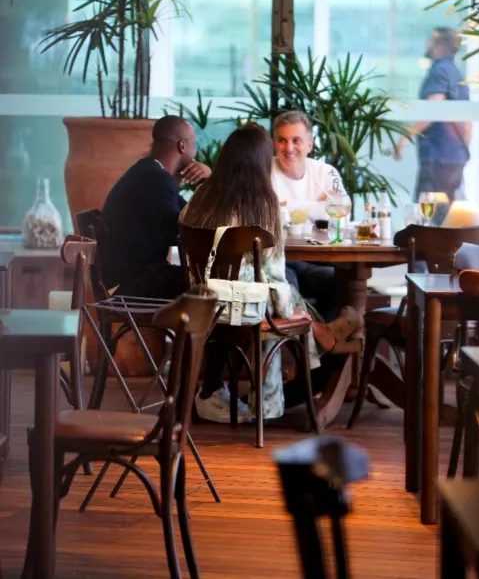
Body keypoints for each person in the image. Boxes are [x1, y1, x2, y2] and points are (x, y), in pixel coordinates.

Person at [181, 123, 361, 424]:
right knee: (282, 294)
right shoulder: (264, 206)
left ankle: (322, 332)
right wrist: (292, 312)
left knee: (280, 290)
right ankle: (323, 335)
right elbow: (274, 275)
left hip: (203, 301)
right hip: (247, 308)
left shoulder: (199, 198)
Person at [99, 115, 211, 298]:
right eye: (194, 145)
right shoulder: (155, 178)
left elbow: (189, 216)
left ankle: (180, 327)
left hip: (132, 278)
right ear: (182, 146)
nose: (195, 152)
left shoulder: (150, 172)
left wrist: (207, 181)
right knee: (207, 285)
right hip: (133, 283)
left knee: (200, 281)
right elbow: (181, 231)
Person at [271, 110, 345, 322]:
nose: (289, 148)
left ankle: (328, 353)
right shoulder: (264, 172)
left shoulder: (326, 172)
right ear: (274, 143)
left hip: (319, 260)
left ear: (310, 145)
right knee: (284, 291)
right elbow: (270, 216)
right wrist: (318, 206)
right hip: (280, 261)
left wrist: (288, 206)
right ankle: (305, 350)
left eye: (296, 140)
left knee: (341, 286)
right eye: (282, 140)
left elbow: (340, 216)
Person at [394, 27, 472, 203]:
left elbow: (433, 109)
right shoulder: (457, 74)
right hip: (454, 156)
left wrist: (405, 136)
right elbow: (466, 122)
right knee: (446, 213)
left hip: (438, 156)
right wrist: (462, 149)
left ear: (439, 45)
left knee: (428, 215)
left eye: (431, 40)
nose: (427, 44)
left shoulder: (438, 72)